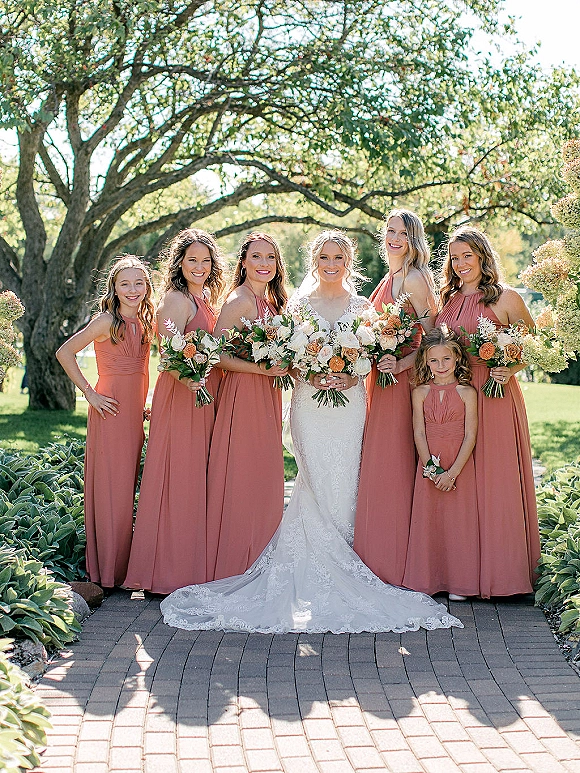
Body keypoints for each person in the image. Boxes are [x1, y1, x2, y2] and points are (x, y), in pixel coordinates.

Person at [159, 230, 462, 634]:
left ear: (348, 262)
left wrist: (353, 376)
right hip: (309, 405)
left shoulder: (362, 307)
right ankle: (314, 561)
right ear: (314, 262)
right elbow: (290, 357)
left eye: (338, 258)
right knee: (315, 477)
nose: (331, 265)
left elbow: (369, 357)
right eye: (324, 258)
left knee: (346, 479)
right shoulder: (296, 306)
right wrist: (311, 374)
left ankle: (350, 557)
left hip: (350, 406)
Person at [437, 225, 540, 597]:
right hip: (457, 396)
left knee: (496, 481)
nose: (461, 263)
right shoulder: (447, 300)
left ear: (482, 257)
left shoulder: (506, 297)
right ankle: (462, 575)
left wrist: (510, 369)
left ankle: (502, 576)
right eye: (454, 257)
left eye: (467, 255)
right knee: (461, 482)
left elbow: (534, 344)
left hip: (495, 396)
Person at [123, 229, 226, 594]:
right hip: (182, 395)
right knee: (177, 476)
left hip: (201, 394)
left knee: (194, 477)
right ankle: (165, 572)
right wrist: (191, 379)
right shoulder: (177, 299)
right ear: (179, 263)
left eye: (205, 260)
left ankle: (189, 563)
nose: (199, 267)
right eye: (192, 260)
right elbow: (168, 355)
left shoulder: (206, 298)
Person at [56, 256, 154, 588]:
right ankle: (108, 573)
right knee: (113, 492)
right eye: (125, 283)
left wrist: (147, 403)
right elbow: (64, 353)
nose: (132, 289)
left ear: (147, 287)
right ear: (114, 287)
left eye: (138, 283)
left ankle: (124, 569)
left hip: (133, 416)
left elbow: (142, 371)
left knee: (127, 491)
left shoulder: (145, 322)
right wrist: (90, 394)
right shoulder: (105, 321)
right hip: (109, 414)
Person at [354, 209, 437, 585]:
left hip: (402, 382)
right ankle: (376, 555)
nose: (394, 238)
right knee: (379, 461)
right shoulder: (390, 276)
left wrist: (401, 364)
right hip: (380, 378)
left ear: (413, 238)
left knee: (394, 462)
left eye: (403, 233)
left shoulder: (415, 278)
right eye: (390, 231)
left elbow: (433, 337)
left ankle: (398, 560)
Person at [204, 232, 289, 581]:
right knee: (244, 474)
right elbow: (216, 355)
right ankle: (237, 561)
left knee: (263, 475)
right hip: (244, 393)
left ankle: (260, 556)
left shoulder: (268, 300)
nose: (264, 263)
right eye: (256, 256)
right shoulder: (239, 301)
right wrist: (261, 369)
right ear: (243, 262)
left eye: (270, 257)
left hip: (265, 392)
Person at [402, 327, 480, 600]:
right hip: (430, 464)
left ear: (457, 358)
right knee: (430, 521)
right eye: (433, 360)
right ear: (425, 362)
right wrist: (433, 470)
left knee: (459, 522)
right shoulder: (420, 392)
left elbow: (470, 435)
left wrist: (452, 473)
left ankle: (460, 583)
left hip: (459, 464)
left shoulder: (467, 392)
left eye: (446, 359)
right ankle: (429, 579)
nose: (441, 365)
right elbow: (418, 433)